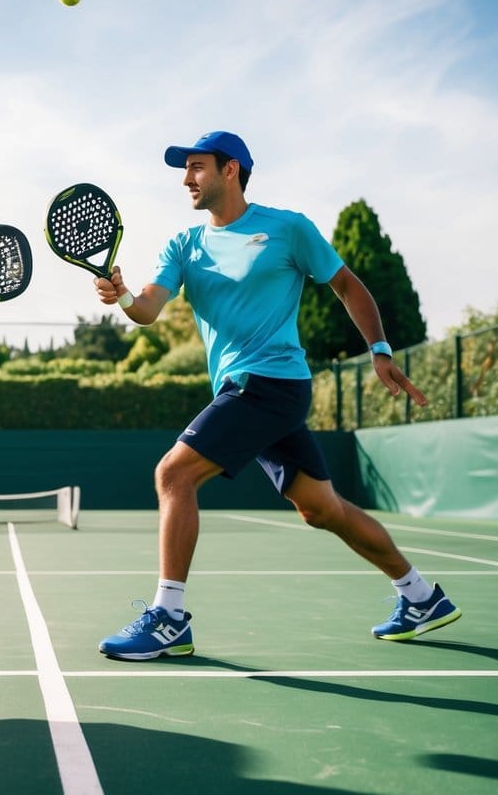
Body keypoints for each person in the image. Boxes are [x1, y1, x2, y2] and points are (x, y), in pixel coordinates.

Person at [94, 130, 461, 660]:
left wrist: (379, 348)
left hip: (270, 382)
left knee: (173, 474)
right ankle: (422, 596)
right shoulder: (185, 245)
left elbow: (347, 285)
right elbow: (149, 308)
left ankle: (169, 618)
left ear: (231, 170)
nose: (186, 179)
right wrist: (123, 293)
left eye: (197, 167)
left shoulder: (287, 229)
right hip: (247, 390)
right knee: (322, 509)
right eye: (185, 169)